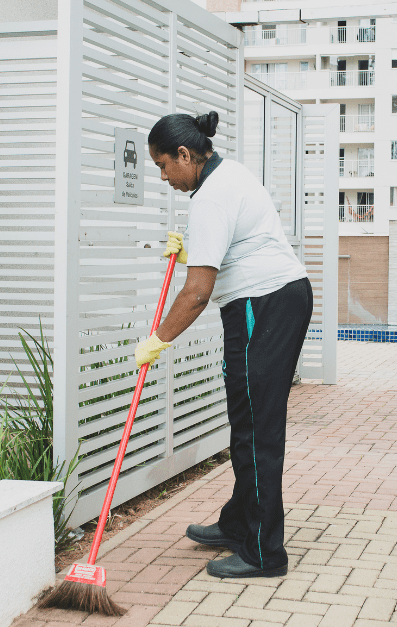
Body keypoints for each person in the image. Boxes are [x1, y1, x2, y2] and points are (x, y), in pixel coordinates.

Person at [133, 111, 311, 579]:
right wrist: (193, 249)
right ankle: (238, 523)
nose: (165, 176)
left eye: (164, 166)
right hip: (272, 300)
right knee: (247, 423)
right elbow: (240, 241)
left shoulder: (210, 196)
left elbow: (196, 293)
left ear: (185, 155)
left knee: (255, 430)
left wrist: (157, 340)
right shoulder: (228, 174)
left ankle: (262, 553)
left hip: (263, 304)